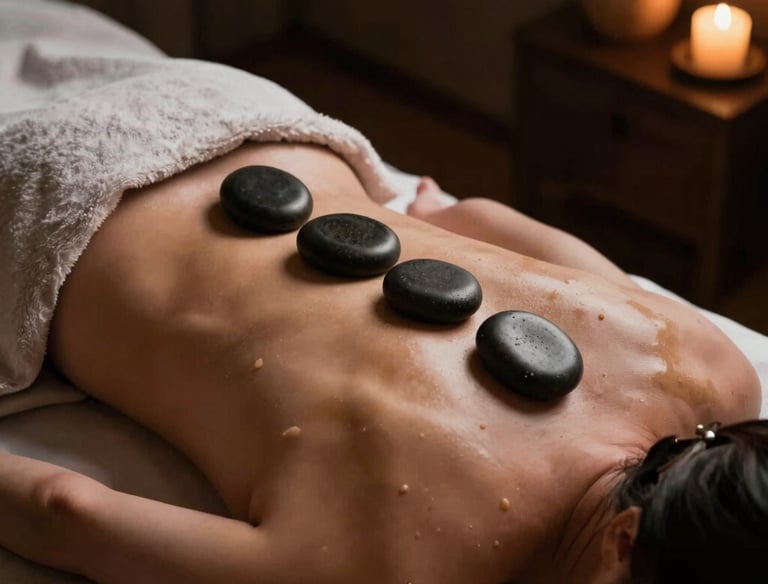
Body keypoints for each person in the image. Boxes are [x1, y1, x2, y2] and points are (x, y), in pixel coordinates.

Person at [0, 135, 765, 584]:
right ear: (624, 545)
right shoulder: (402, 570)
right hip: (48, 216)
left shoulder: (717, 366)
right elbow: (65, 512)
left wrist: (432, 218)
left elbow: (484, 219)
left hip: (260, 127)